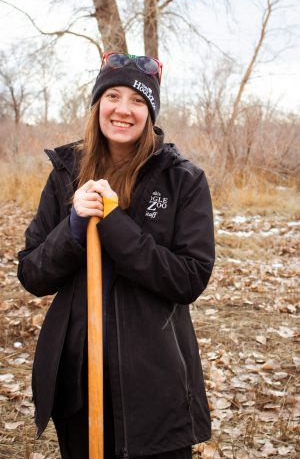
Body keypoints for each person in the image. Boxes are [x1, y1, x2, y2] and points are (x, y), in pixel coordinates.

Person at [18, 51, 215, 459]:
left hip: (155, 386)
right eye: (113, 96)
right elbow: (32, 274)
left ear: (151, 111)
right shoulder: (66, 173)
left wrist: (114, 222)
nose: (123, 110)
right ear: (97, 104)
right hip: (78, 378)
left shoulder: (183, 179)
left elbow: (189, 279)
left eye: (138, 101)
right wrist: (72, 226)